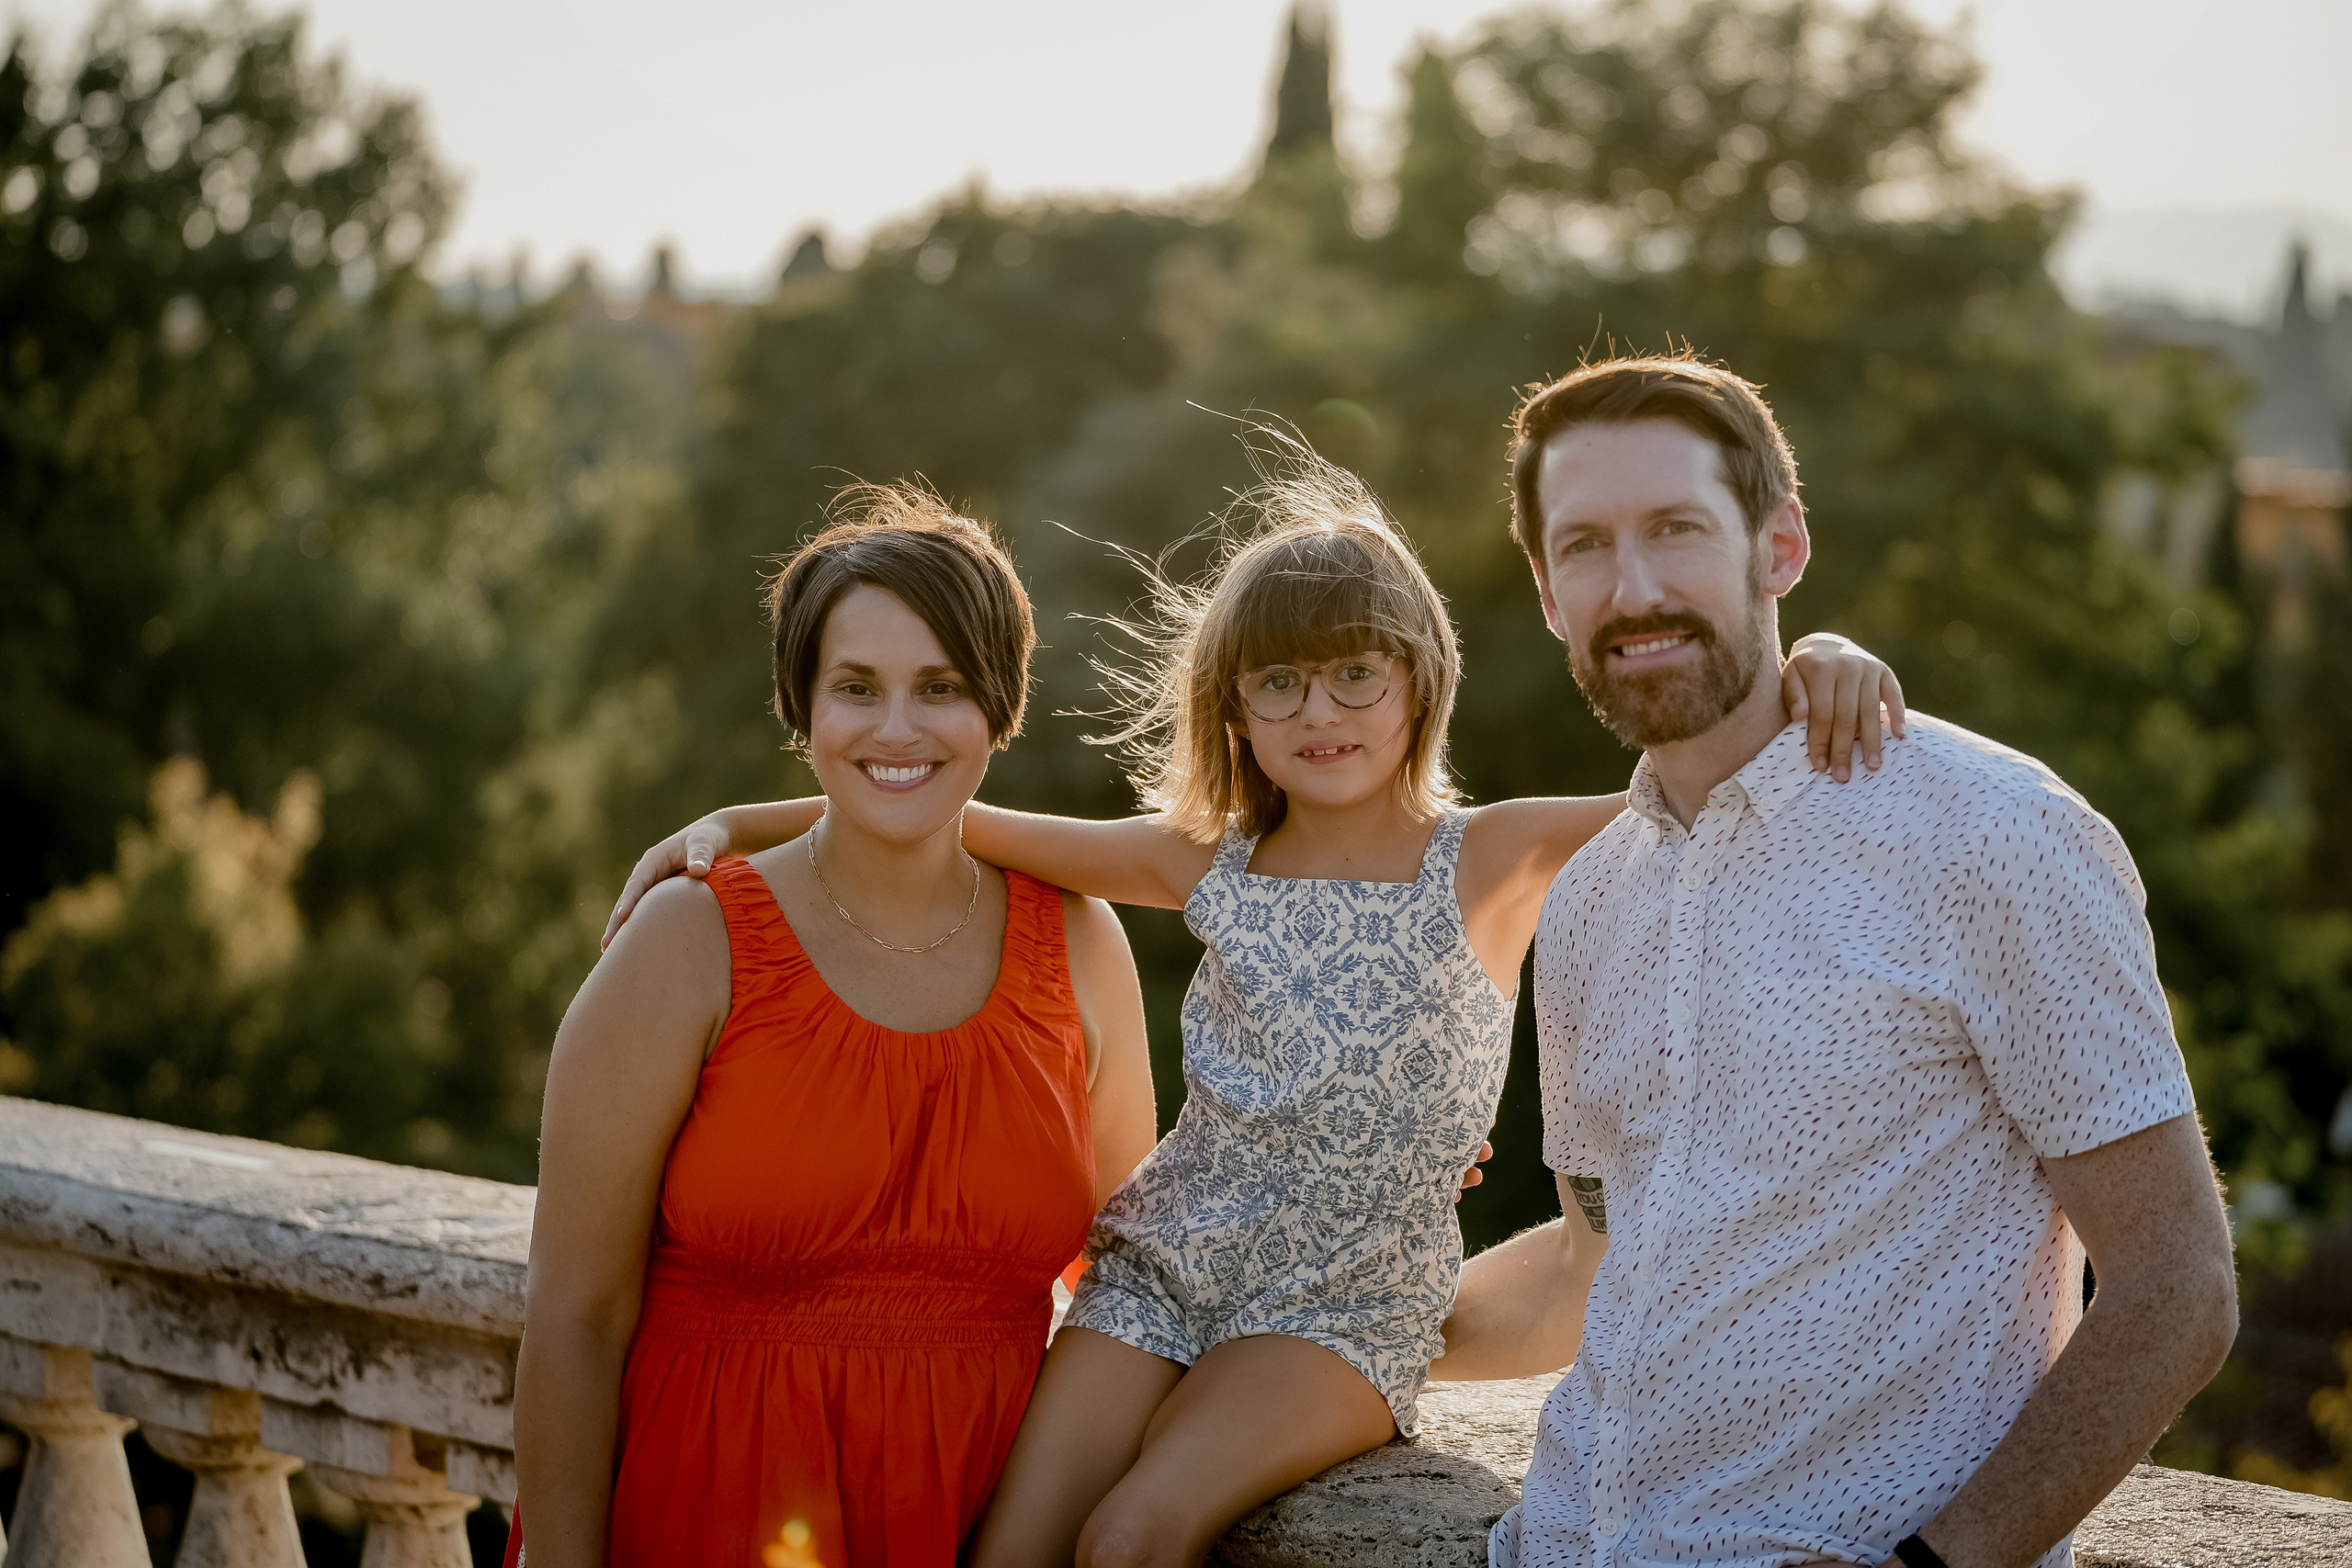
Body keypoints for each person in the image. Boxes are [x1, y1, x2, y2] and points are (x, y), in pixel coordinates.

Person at [609, 456, 1905, 1568]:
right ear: (1233, 702)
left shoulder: (1494, 854)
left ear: (1419, 676)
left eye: (1354, 672)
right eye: (1276, 683)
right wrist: (730, 825)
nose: (1319, 711)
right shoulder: (1202, 860)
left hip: (1342, 1304)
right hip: (1163, 1265)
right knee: (1007, 1545)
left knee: (1134, 1535)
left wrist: (1820, 657)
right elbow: (934, 804)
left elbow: (1711, 771)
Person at [1436, 355, 2237, 1568]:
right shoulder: (1591, 898)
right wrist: (1306, 1308)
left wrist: (1938, 1564)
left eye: (1678, 529)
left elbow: (2179, 1284)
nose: (1636, 584)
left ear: (1781, 548)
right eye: (1587, 546)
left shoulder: (1994, 836)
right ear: (1550, 594)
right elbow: (1593, 1260)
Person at [507, 486, 1158, 1568]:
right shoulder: (683, 942)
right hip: (702, 1516)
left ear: (999, 705)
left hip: (979, 1525)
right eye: (855, 688)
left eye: (940, 688)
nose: (896, 728)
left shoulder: (1083, 946)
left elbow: (1133, 1286)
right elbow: (575, 1319)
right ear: (799, 705)